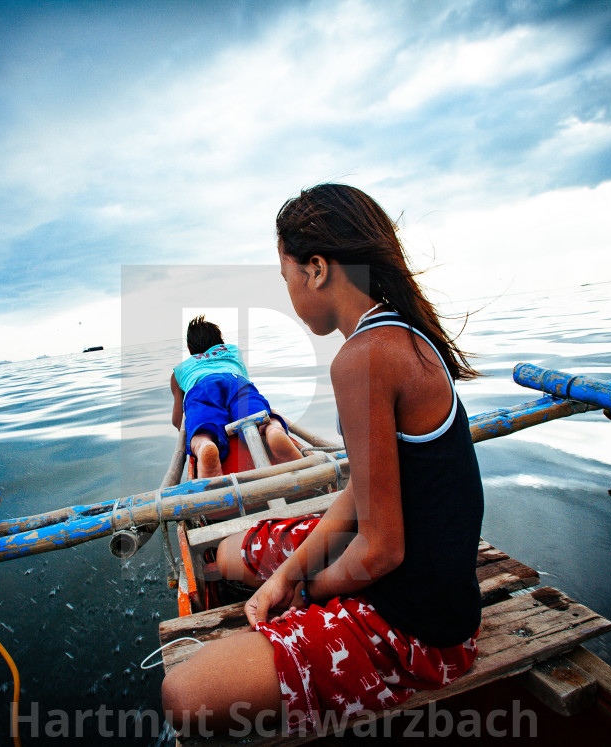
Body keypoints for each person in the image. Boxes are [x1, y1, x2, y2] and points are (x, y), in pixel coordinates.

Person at [161, 184, 485, 735]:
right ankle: (277, 576)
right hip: (442, 599)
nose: (287, 290)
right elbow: (362, 494)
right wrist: (287, 574)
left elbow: (381, 549)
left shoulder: (361, 360)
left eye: (284, 275)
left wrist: (309, 593)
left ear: (315, 269)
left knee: (183, 694)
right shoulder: (406, 335)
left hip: (419, 635)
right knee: (240, 554)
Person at [170, 315, 303, 478]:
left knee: (202, 425)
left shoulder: (181, 369)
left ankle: (204, 444)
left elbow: (178, 420)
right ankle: (273, 430)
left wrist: (192, 429)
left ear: (190, 349)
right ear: (221, 343)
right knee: (259, 415)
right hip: (235, 381)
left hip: (201, 386)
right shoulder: (233, 351)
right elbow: (246, 379)